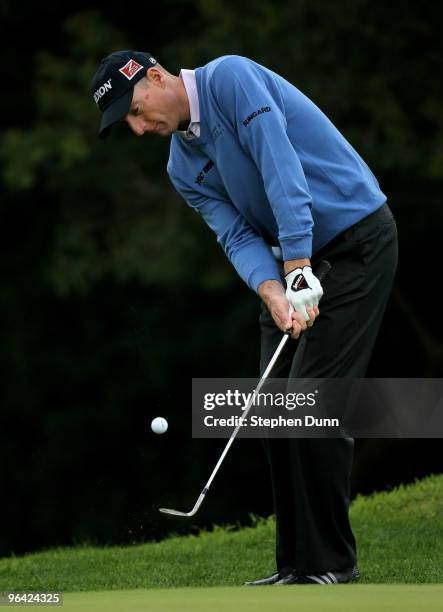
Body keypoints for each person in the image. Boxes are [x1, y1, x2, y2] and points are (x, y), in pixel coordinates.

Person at [91, 50, 398, 585]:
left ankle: (333, 565)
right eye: (128, 125)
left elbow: (281, 163)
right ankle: (297, 565)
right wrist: (272, 289)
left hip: (354, 243)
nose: (139, 129)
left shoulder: (230, 79)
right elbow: (235, 235)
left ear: (156, 77)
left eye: (136, 111)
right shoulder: (180, 166)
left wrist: (299, 262)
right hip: (289, 268)